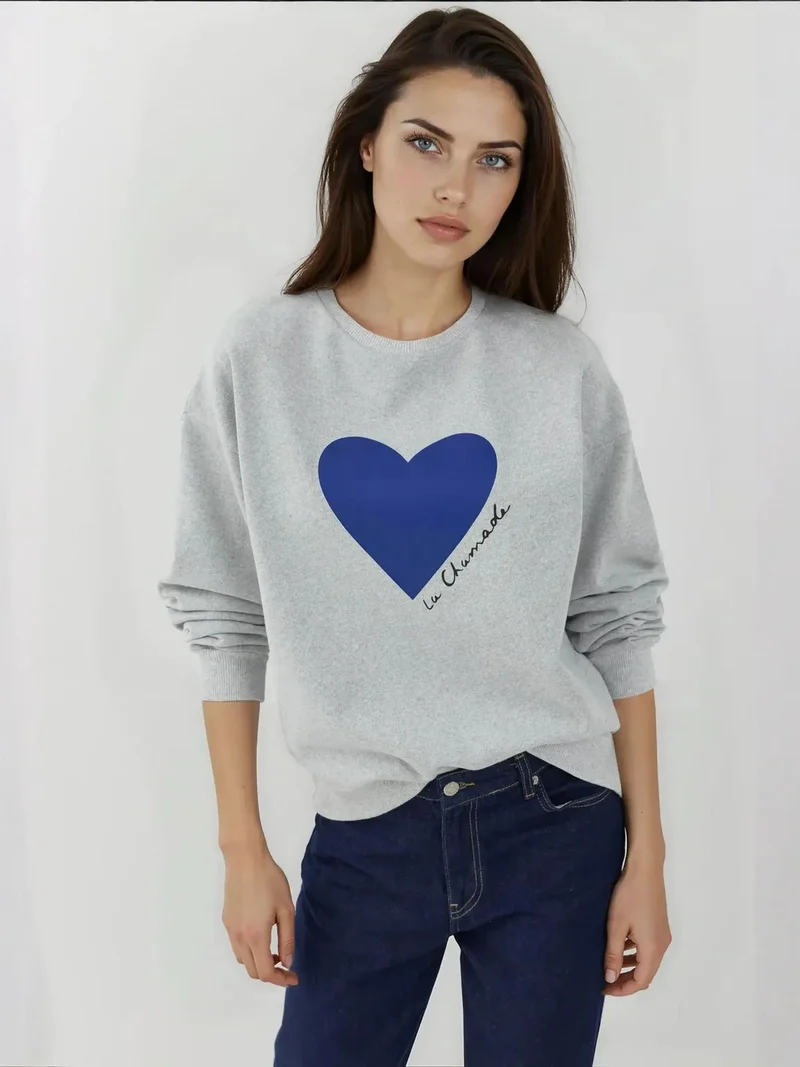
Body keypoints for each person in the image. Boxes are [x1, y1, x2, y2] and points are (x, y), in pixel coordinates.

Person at [156, 6, 672, 1065]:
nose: (455, 189)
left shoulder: (556, 369)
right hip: (364, 830)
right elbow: (225, 612)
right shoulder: (261, 358)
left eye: (494, 160)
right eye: (426, 144)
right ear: (365, 144)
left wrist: (648, 856)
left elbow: (616, 613)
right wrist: (243, 847)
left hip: (553, 814)